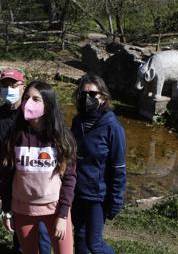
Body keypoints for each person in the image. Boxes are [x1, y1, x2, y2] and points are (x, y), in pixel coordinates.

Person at [0, 81, 77, 254]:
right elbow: (5, 176)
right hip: (23, 209)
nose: (28, 103)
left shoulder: (61, 138)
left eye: (36, 99)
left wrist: (63, 215)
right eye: (26, 98)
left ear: (47, 104)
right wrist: (6, 209)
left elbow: (69, 178)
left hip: (55, 209)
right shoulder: (13, 137)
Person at [0, 69, 52, 254]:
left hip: (36, 184)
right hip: (12, 184)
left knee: (41, 234)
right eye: (5, 85)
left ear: (23, 87)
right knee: (20, 231)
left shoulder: (33, 114)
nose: (9, 89)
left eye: (14, 85)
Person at [70, 74, 126, 254]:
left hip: (97, 197)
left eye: (92, 94)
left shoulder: (112, 127)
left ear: (102, 96)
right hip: (77, 193)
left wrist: (116, 200)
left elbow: (118, 168)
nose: (87, 98)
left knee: (94, 243)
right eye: (83, 93)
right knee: (79, 237)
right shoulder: (77, 122)